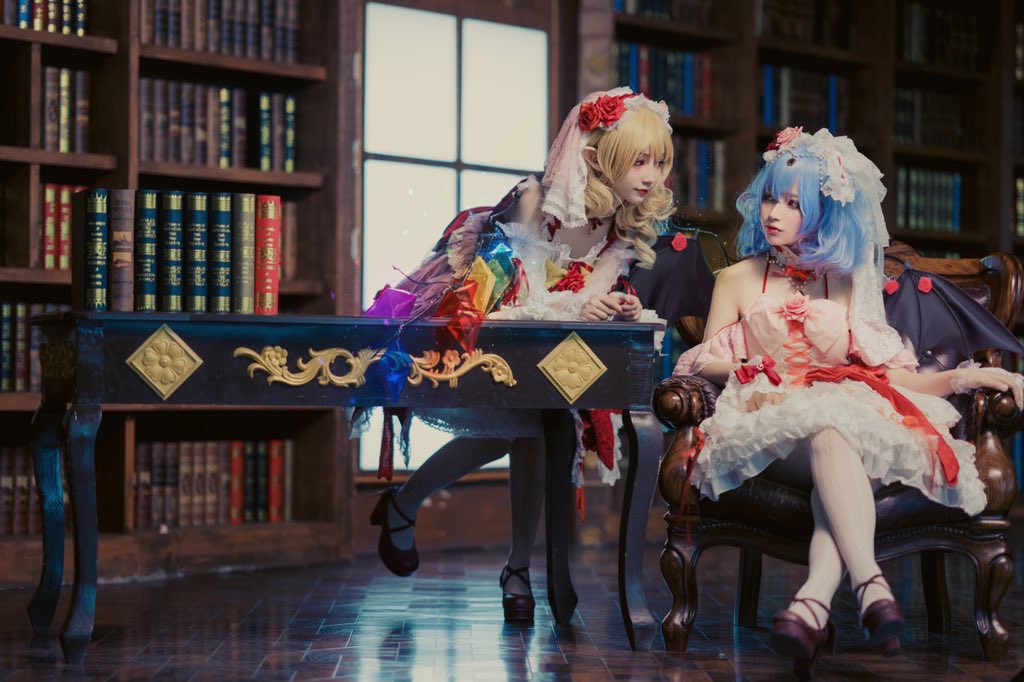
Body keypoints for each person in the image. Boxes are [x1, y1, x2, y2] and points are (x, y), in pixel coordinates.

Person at [672, 126, 1024, 678]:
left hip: (846, 417)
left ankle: (812, 602)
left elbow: (891, 374)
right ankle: (869, 582)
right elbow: (699, 362)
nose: (775, 212)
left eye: (795, 203)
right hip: (768, 419)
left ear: (825, 212)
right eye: (770, 197)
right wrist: (742, 367)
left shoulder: (846, 281)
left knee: (832, 434)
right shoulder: (737, 278)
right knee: (827, 427)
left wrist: (965, 375)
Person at [366, 87, 684, 623]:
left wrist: (614, 306)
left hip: (550, 342)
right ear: (595, 156)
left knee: (534, 429)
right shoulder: (535, 200)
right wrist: (576, 308)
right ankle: (423, 513)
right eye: (638, 161)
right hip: (484, 319)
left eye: (659, 161)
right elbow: (508, 293)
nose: (651, 175)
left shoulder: (620, 220)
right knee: (514, 431)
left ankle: (503, 559)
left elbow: (592, 291)